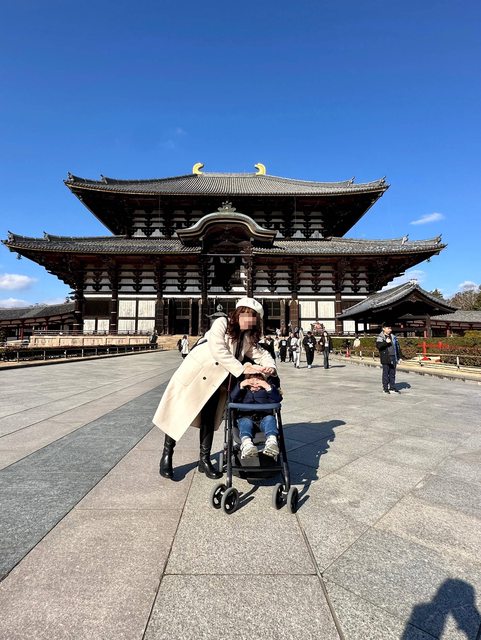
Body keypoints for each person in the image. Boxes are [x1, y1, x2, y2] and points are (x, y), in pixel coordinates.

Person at [153, 297, 277, 480]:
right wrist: (242, 369)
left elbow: (262, 354)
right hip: (196, 375)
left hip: (216, 383)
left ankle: (204, 460)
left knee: (208, 419)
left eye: (253, 317)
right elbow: (218, 349)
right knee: (178, 412)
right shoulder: (222, 323)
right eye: (246, 315)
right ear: (238, 314)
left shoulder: (247, 338)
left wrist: (270, 367)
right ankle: (167, 455)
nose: (248, 320)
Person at [230, 372, 282, 459]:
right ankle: (247, 444)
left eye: (259, 380)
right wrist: (241, 385)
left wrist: (268, 387)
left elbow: (277, 399)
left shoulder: (266, 392)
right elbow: (232, 398)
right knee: (245, 422)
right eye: (251, 380)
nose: (255, 382)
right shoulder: (243, 392)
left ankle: (272, 442)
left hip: (263, 419)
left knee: (270, 419)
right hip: (246, 418)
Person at [376, 322, 401, 393]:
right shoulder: (380, 337)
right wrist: (385, 342)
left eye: (390, 328)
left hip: (393, 356)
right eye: (388, 328)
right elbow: (378, 346)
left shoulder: (393, 337)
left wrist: (399, 357)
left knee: (392, 373)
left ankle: (392, 387)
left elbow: (397, 347)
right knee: (386, 373)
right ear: (383, 329)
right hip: (386, 357)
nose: (390, 329)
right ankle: (385, 388)